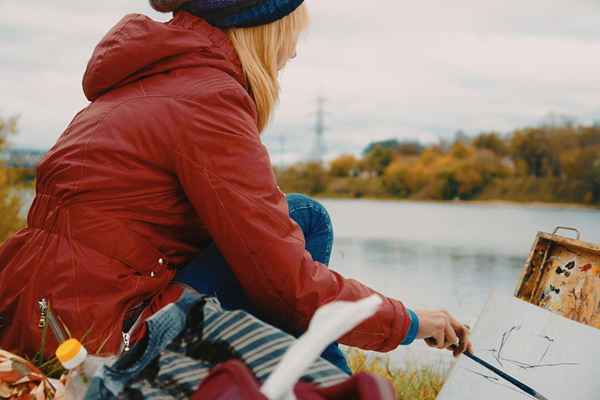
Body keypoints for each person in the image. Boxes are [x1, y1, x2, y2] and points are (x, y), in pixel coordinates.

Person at [0, 0, 472, 373]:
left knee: (280, 223)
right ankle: (334, 389)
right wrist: (409, 322)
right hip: (109, 339)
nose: (293, 51)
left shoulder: (131, 87)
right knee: (305, 220)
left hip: (39, 319)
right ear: (260, 28)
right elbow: (286, 284)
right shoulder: (209, 101)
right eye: (291, 33)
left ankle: (311, 382)